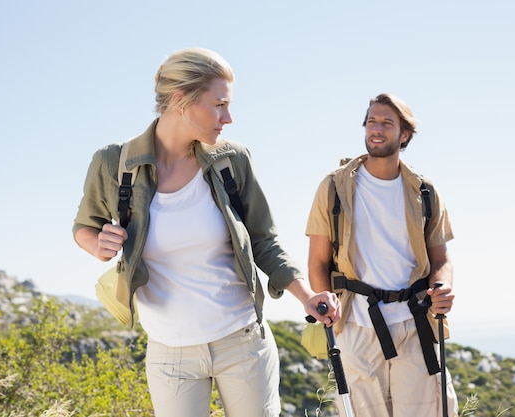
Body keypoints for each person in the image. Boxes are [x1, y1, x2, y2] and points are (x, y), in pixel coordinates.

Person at [72, 47, 341, 417]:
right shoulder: (114, 164)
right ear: (180, 100)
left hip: (243, 342)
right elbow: (84, 227)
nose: (228, 118)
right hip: (170, 353)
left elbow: (263, 239)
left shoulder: (232, 161)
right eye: (219, 105)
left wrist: (306, 295)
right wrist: (99, 245)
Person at [305, 93, 458, 417]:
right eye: (371, 121)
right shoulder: (333, 187)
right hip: (356, 326)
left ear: (404, 134)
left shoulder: (425, 191)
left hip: (415, 323)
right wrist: (326, 309)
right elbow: (317, 261)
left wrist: (441, 287)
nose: (376, 129)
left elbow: (440, 258)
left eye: (387, 123)